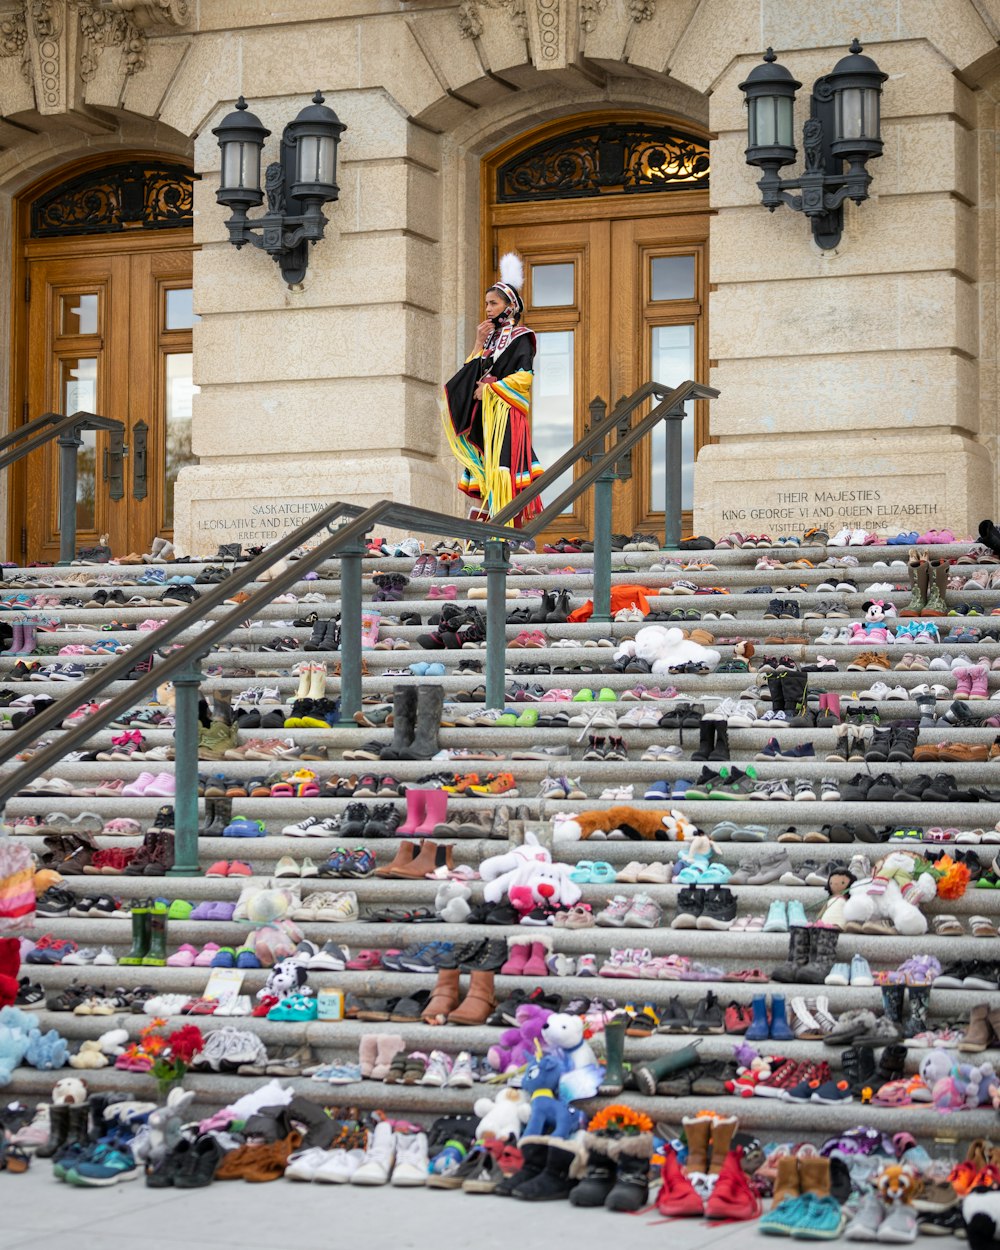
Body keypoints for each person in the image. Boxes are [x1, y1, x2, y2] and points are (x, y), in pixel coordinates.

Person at [442, 253, 544, 527]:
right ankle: (480, 532)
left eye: (493, 303)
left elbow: (523, 378)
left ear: (510, 305)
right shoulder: (488, 341)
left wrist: (489, 389)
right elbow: (468, 374)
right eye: (486, 303)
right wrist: (477, 343)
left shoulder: (522, 337)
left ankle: (508, 534)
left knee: (504, 469)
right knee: (480, 468)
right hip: (484, 417)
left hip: (505, 416)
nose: (487, 309)